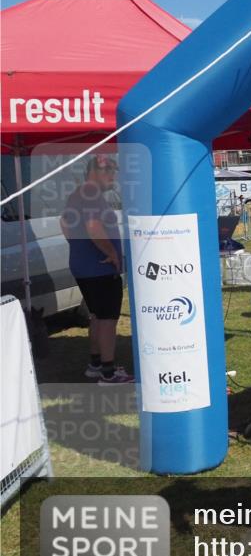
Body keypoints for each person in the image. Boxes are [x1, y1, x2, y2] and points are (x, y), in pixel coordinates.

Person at [60, 155, 134, 385]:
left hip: (84, 266)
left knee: (96, 316)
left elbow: (64, 222)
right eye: (110, 172)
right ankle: (108, 372)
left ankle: (95, 364)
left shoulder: (77, 194)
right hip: (99, 268)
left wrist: (77, 245)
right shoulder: (91, 195)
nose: (114, 177)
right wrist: (111, 253)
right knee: (108, 319)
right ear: (97, 172)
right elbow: (93, 227)